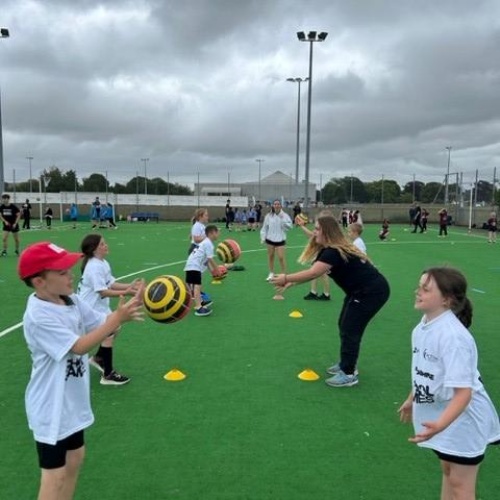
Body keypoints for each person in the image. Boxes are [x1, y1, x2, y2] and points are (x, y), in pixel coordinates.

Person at [17, 241, 144, 500]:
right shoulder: (39, 316)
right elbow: (79, 346)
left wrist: (127, 309)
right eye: (62, 272)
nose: (71, 274)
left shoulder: (71, 300)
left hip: (72, 403)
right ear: (39, 282)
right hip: (51, 407)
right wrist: (116, 319)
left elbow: (102, 323)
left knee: (75, 458)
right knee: (54, 477)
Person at [398, 267, 500, 499]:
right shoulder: (423, 327)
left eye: (426, 289)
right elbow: (426, 371)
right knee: (448, 471)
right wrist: (412, 398)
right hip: (446, 414)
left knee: (460, 484)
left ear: (447, 299)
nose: (417, 291)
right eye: (419, 286)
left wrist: (440, 425)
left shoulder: (454, 338)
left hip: (465, 419)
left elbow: (464, 393)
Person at [270, 215, 390, 387]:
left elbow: (313, 273)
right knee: (344, 324)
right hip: (359, 291)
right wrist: (292, 283)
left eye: (317, 229)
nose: (314, 232)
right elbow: (316, 272)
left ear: (327, 232)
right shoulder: (328, 250)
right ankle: (346, 363)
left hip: (371, 292)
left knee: (350, 328)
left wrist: (286, 277)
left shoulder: (332, 252)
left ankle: (349, 373)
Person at [77, 234, 144, 385]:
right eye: (102, 244)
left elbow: (110, 283)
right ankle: (108, 374)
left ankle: (99, 359)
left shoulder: (102, 263)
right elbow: (102, 291)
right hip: (90, 309)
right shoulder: (94, 267)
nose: (106, 245)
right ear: (94, 250)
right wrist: (126, 292)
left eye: (105, 243)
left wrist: (130, 286)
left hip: (99, 307)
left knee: (115, 328)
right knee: (109, 332)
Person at [184, 225, 222, 317]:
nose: (219, 234)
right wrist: (217, 270)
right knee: (197, 286)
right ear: (212, 233)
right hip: (194, 266)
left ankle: (196, 302)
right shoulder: (208, 243)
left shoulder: (205, 242)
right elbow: (210, 259)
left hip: (190, 265)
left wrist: (212, 272)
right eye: (217, 232)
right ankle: (198, 307)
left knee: (193, 287)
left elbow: (206, 261)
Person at [296, 210, 331, 301]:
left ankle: (326, 294)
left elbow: (312, 236)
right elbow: (312, 236)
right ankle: (313, 292)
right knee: (314, 271)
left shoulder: (325, 228)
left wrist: (302, 226)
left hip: (323, 252)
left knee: (323, 273)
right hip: (319, 251)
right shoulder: (322, 227)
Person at [260, 199, 293, 281]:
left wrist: (282, 220)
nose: (276, 205)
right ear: (273, 205)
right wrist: (263, 237)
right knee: (271, 256)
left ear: (281, 206)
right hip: (270, 240)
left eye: (278, 204)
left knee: (281, 257)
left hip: (280, 240)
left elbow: (290, 227)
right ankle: (271, 273)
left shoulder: (285, 215)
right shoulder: (268, 216)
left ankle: (284, 274)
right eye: (275, 204)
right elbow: (264, 227)